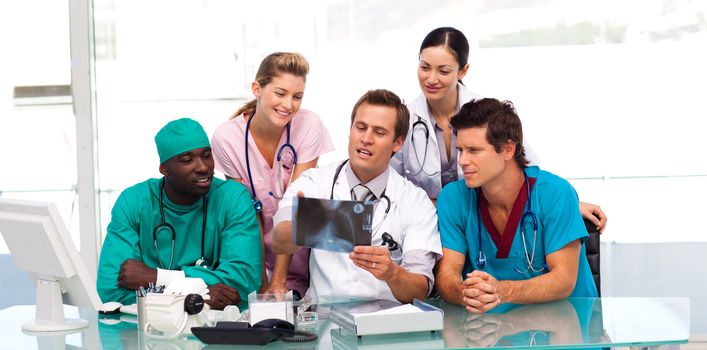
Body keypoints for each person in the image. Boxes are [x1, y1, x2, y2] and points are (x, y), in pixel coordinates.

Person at [390, 27, 607, 232]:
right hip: (425, 223)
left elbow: (525, 167)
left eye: (443, 71)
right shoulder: (405, 119)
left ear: (463, 71)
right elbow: (392, 183)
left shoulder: (485, 114)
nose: (431, 79)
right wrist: (434, 205)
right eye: (424, 67)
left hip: (479, 223)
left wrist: (568, 205)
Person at [271, 89, 441, 303]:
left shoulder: (416, 202)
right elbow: (279, 241)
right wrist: (306, 225)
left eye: (379, 132)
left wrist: (392, 273)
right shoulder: (314, 181)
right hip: (324, 321)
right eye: (360, 128)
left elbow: (420, 288)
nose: (366, 139)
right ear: (350, 130)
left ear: (398, 143)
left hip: (386, 325)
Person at [435, 98, 597, 314]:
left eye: (474, 150)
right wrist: (464, 293)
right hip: (489, 334)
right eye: (461, 150)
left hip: (563, 325)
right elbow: (447, 276)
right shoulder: (453, 198)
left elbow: (563, 281)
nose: (462, 161)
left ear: (508, 149)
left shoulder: (556, 193)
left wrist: (500, 291)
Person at [97, 118, 262, 310]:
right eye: (187, 160)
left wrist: (156, 278)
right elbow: (112, 291)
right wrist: (196, 299)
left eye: (207, 155)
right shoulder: (133, 202)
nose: (203, 167)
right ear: (164, 169)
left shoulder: (232, 198)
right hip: (147, 331)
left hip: (219, 329)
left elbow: (244, 281)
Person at [211, 52, 334, 298]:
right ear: (257, 88)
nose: (288, 105)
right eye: (280, 93)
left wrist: (278, 280)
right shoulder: (227, 139)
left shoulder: (308, 125)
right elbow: (247, 215)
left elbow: (297, 207)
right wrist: (263, 283)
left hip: (303, 250)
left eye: (297, 97)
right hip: (255, 258)